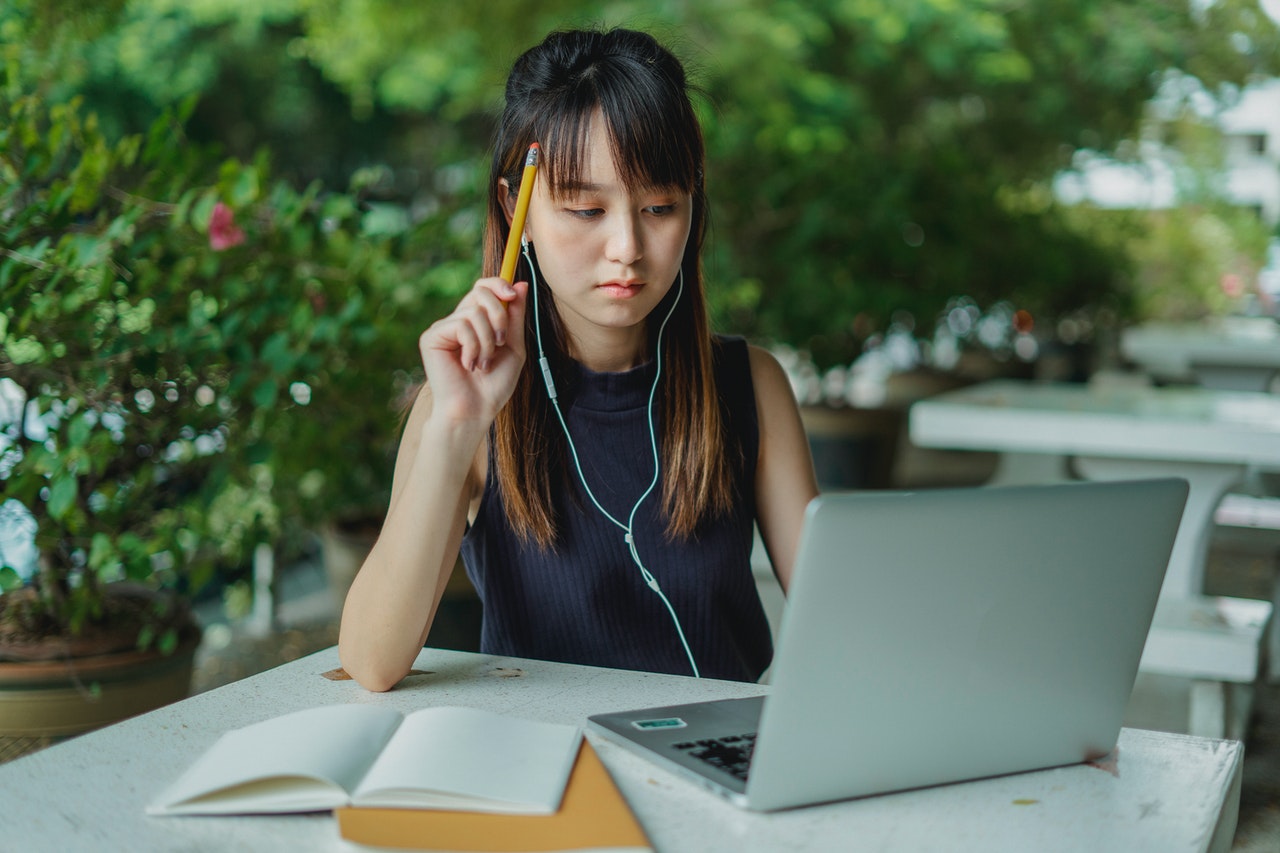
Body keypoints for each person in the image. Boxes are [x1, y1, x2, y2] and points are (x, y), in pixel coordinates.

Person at [338, 26, 819, 692]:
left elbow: (837, 624)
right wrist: (454, 428)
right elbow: (371, 662)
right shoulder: (462, 405)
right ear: (518, 210)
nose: (627, 245)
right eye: (586, 208)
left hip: (720, 768)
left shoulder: (749, 386)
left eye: (659, 206)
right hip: (540, 768)